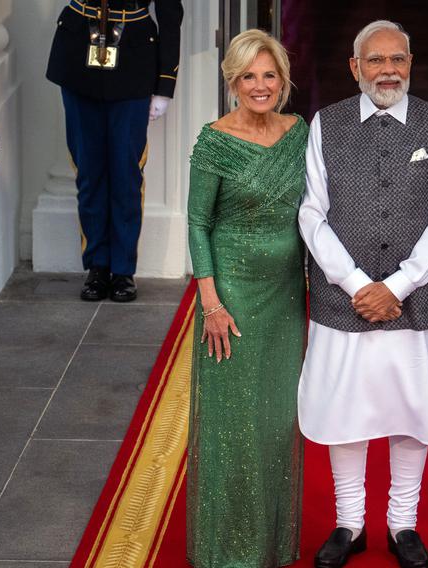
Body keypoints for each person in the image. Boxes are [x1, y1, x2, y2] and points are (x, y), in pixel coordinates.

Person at [298, 19, 428, 568]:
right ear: (355, 67)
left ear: (411, 64)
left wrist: (395, 285)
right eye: (375, 60)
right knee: (345, 409)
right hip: (342, 301)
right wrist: (354, 283)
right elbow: (311, 213)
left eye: (397, 60)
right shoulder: (326, 124)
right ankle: (349, 522)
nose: (387, 70)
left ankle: (402, 524)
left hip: (418, 302)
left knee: (412, 409)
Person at [185, 29, 308, 568]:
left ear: (282, 79)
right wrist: (211, 302)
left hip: (285, 299)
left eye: (269, 75)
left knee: (277, 422)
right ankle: (230, 551)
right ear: (231, 81)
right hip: (229, 301)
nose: (260, 86)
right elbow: (196, 223)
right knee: (233, 424)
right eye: (248, 76)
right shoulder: (214, 140)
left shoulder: (300, 132)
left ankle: (271, 545)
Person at [46, 0, 183, 302]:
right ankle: (97, 265)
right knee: (89, 172)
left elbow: (170, 12)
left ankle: (123, 269)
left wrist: (165, 83)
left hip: (133, 58)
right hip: (79, 53)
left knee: (126, 174)